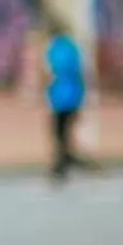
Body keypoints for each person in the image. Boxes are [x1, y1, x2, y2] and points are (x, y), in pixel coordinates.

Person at [44, 15, 95, 183]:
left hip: (61, 97)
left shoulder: (56, 48)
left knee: (59, 132)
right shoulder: (72, 47)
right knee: (63, 131)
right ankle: (66, 162)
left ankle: (63, 165)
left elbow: (53, 71)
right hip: (72, 95)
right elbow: (79, 71)